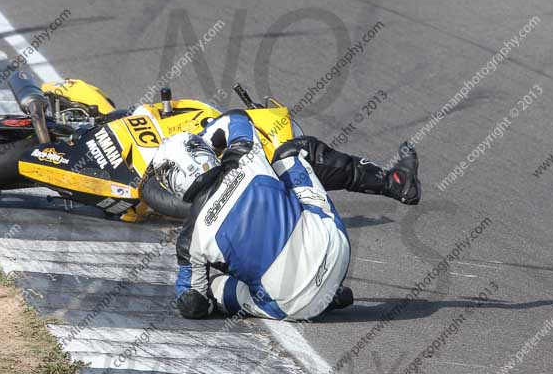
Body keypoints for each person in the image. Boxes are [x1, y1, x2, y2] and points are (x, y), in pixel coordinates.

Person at [150, 110, 420, 321]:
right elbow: (235, 118)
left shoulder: (189, 241)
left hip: (292, 307)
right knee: (291, 153)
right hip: (335, 251)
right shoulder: (245, 156)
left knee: (215, 285)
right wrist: (205, 137)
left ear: (175, 177)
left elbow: (193, 304)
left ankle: (318, 297)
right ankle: (394, 181)